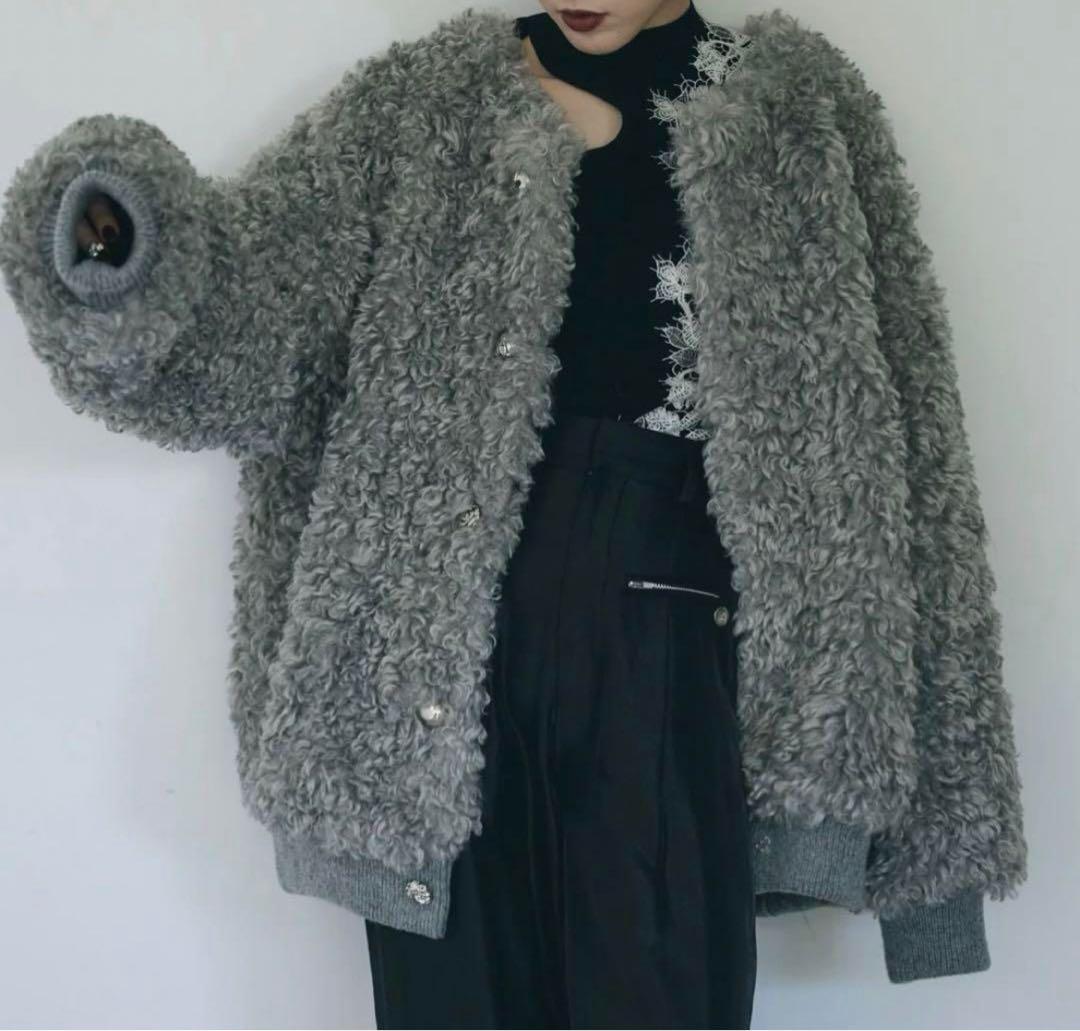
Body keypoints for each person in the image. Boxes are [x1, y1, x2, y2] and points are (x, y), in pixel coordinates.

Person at [0, 2, 1029, 1028]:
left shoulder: (798, 114)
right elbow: (255, 325)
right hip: (433, 673)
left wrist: (934, 858)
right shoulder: (424, 106)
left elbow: (913, 458)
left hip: (666, 649)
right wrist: (122, 247)